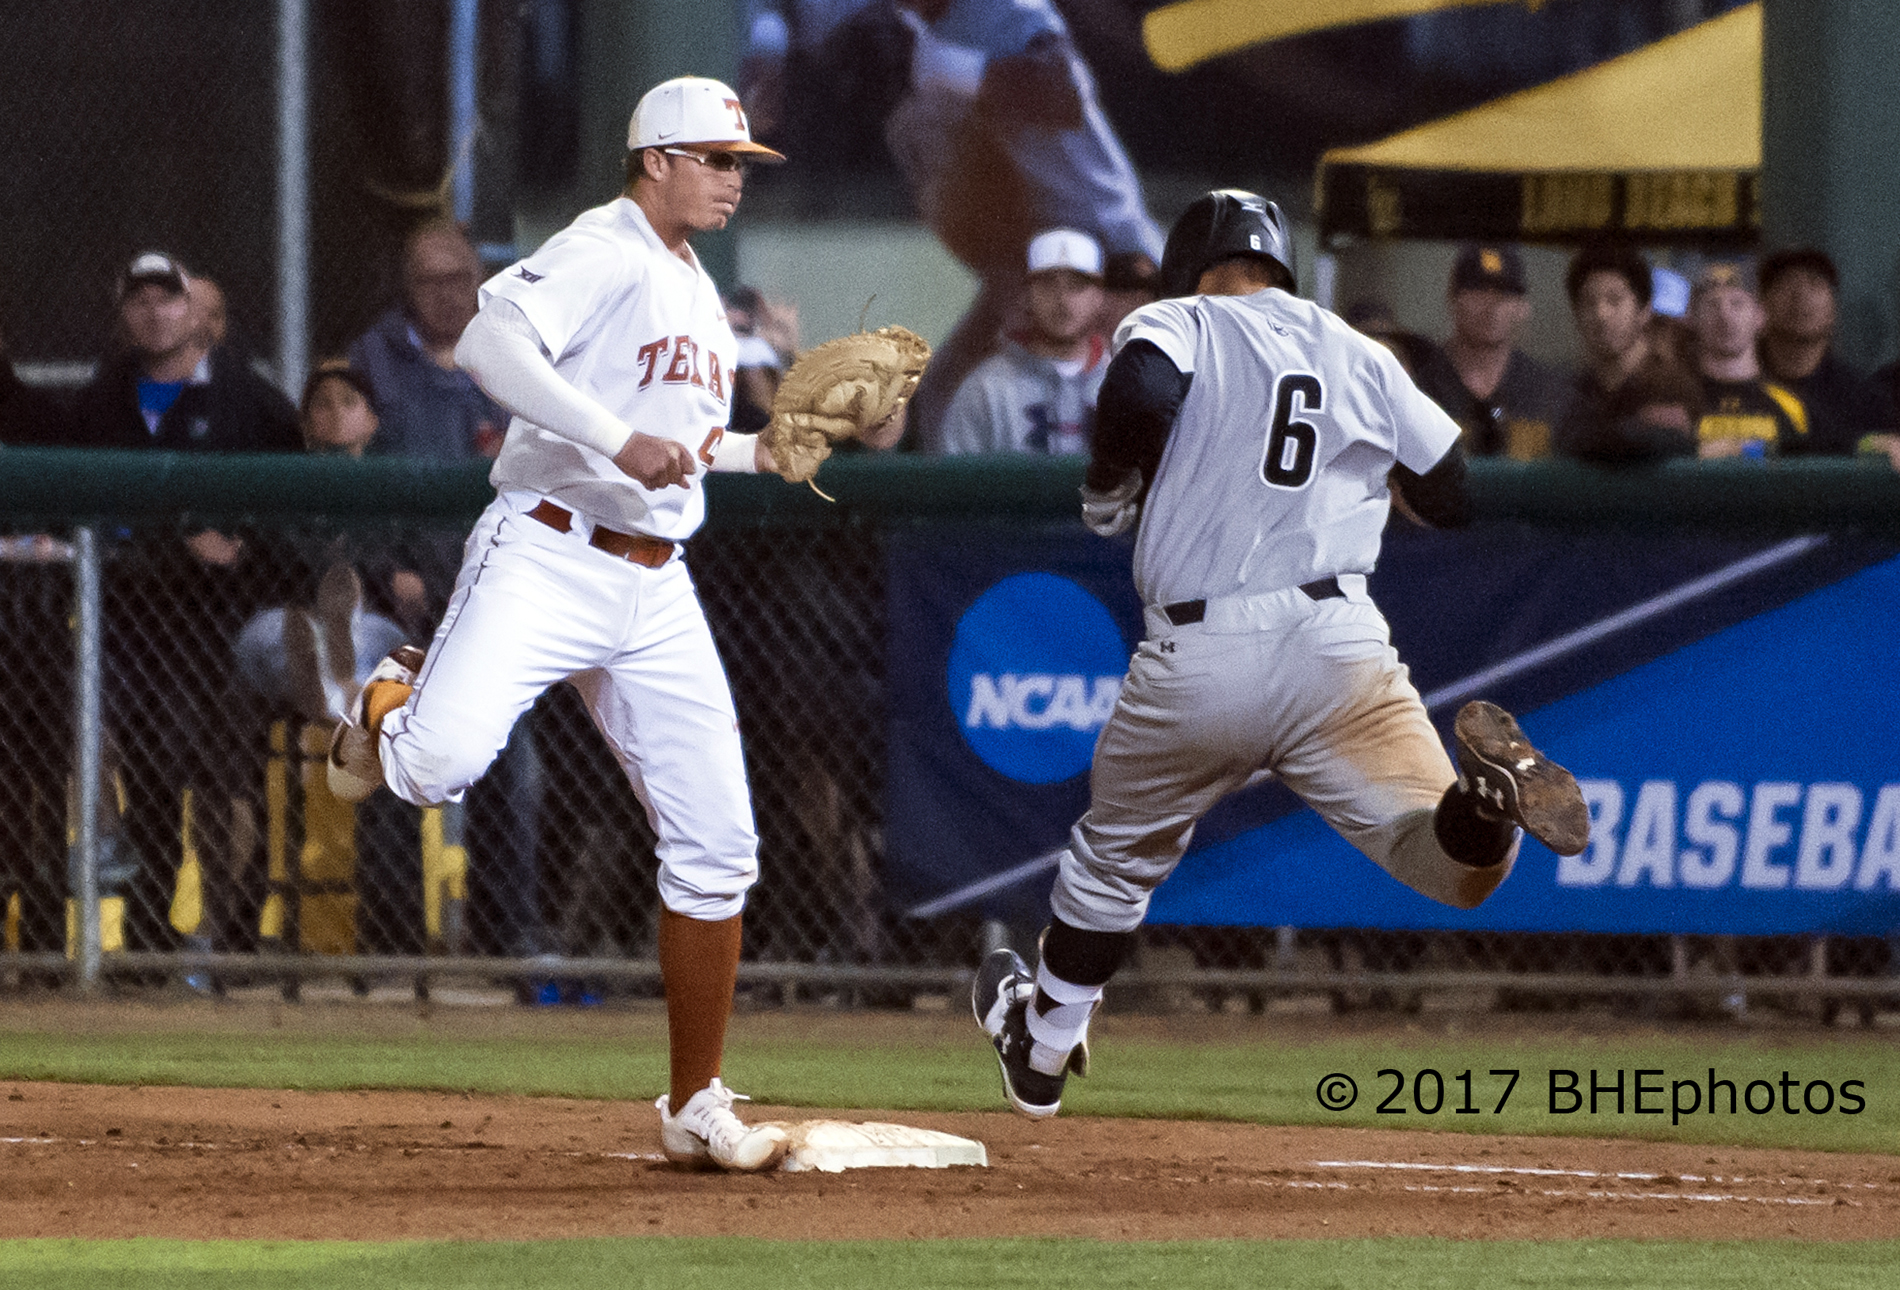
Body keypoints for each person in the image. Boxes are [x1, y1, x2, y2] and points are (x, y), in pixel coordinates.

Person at [969, 191, 1589, 1118]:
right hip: (1340, 646)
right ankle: (1483, 804)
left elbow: (1138, 390)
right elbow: (1453, 491)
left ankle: (1045, 1045)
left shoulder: (1183, 318)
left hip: (1203, 646)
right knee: (1451, 866)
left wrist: (1111, 480)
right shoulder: (1357, 348)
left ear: (1190, 266)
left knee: (1111, 867)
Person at [321, 76, 795, 1170]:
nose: (734, 179)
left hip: (654, 584)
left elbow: (676, 445)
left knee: (719, 846)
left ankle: (695, 1102)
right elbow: (490, 346)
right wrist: (618, 441)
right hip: (546, 550)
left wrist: (755, 452)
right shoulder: (604, 245)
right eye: (716, 159)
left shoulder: (694, 288)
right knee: (432, 767)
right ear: (655, 160)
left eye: (741, 164)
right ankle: (388, 694)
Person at [70, 252, 301, 453]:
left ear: (192, 313)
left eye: (167, 300)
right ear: (123, 316)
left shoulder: (251, 402)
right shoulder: (96, 405)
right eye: (141, 302)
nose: (156, 314)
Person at [347, 219, 509, 460]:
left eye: (456, 278)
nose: (445, 294)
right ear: (409, 288)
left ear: (479, 280)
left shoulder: (510, 349)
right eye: (429, 282)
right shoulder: (373, 356)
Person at [939, 227, 1109, 454]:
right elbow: (957, 475)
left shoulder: (1128, 387)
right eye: (1048, 284)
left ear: (1099, 296)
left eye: (1076, 285)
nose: (1062, 299)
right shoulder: (986, 388)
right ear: (1027, 294)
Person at [1414, 243, 1569, 460]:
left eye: (1504, 294)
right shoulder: (1422, 386)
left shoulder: (1547, 390)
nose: (1491, 305)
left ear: (1522, 307)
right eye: (1478, 291)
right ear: (1453, 299)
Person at [1553, 243, 1702, 463]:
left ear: (1644, 310)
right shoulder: (1573, 390)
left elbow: (1659, 444)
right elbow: (1566, 441)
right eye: (1589, 302)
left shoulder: (1672, 386)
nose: (1601, 314)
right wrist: (1640, 424)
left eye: (1615, 300)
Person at [1756, 247, 1896, 454]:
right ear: (1761, 307)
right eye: (1785, 284)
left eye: (1814, 284)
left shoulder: (1864, 397)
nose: (1800, 295)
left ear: (1834, 310)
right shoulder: (1733, 383)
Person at [1686, 262, 1812, 459]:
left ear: (1760, 316)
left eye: (1737, 304)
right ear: (1691, 318)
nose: (1725, 316)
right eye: (1712, 304)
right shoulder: (1673, 401)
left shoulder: (1791, 405)